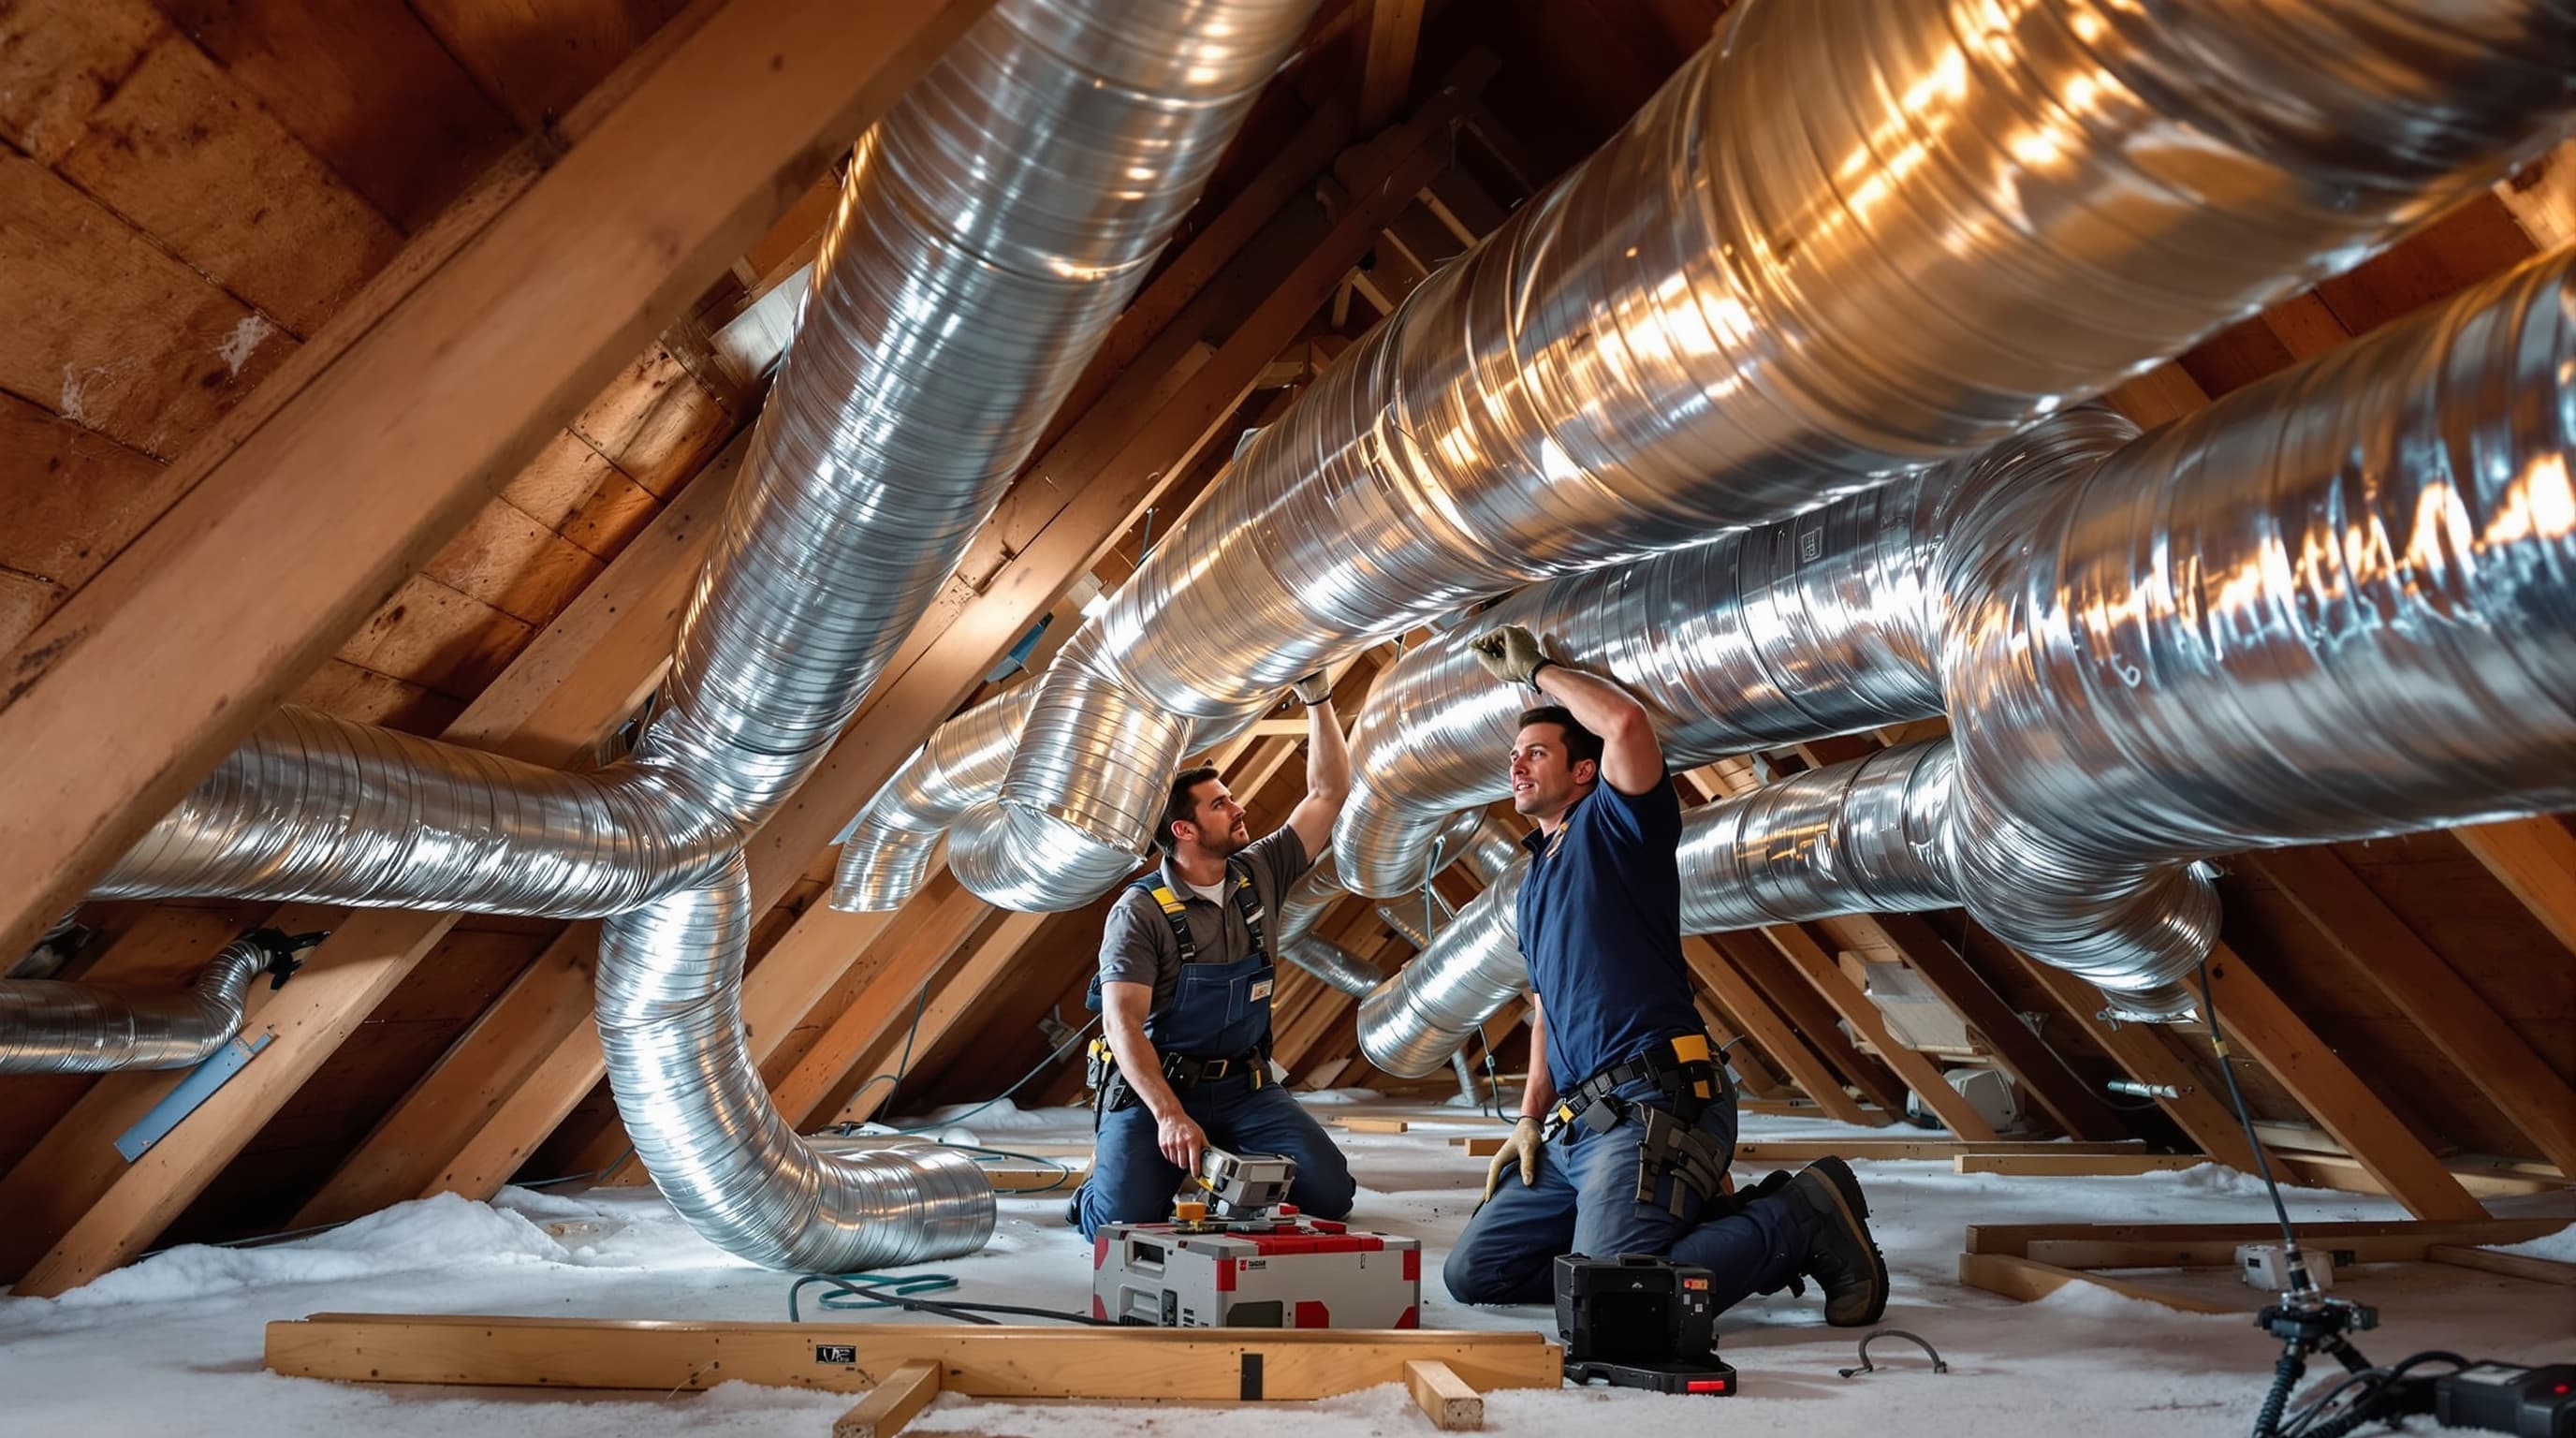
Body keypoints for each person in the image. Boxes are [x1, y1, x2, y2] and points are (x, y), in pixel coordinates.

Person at [1441, 624, 1889, 1326]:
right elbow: (1546, 1010)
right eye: (1513, 756)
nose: (1517, 768)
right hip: (1572, 1131)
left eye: (1535, 753)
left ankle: (1798, 1218)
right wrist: (1528, 1119)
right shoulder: (1531, 882)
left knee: (1612, 1314)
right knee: (1475, 1272)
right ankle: (1646, 1245)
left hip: (1654, 1103)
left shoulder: (1618, 828)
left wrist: (1539, 673)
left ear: (1583, 770)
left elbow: (1625, 723)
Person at [1073, 670, 1357, 1238]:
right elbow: (1122, 1024)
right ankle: (1099, 1183)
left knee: (1332, 1194)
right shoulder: (1140, 913)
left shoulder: (1259, 873)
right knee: (1120, 1224)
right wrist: (1169, 1115)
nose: (1238, 808)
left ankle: (1214, 1153)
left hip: (1244, 1090)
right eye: (1221, 804)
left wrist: (1318, 699)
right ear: (1185, 829)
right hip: (1158, 1088)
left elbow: (1328, 793)